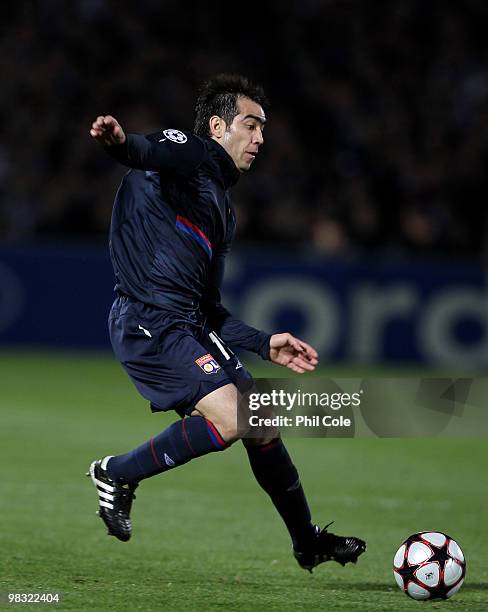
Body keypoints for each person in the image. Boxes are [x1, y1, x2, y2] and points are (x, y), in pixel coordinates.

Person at [87, 73, 366, 571]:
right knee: (231, 417)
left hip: (189, 324)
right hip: (148, 319)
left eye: (264, 130)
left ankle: (306, 541)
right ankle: (116, 473)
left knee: (261, 424)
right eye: (251, 125)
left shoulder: (222, 208)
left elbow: (211, 308)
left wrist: (264, 341)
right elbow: (146, 151)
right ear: (218, 127)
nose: (261, 138)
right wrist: (119, 142)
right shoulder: (191, 155)